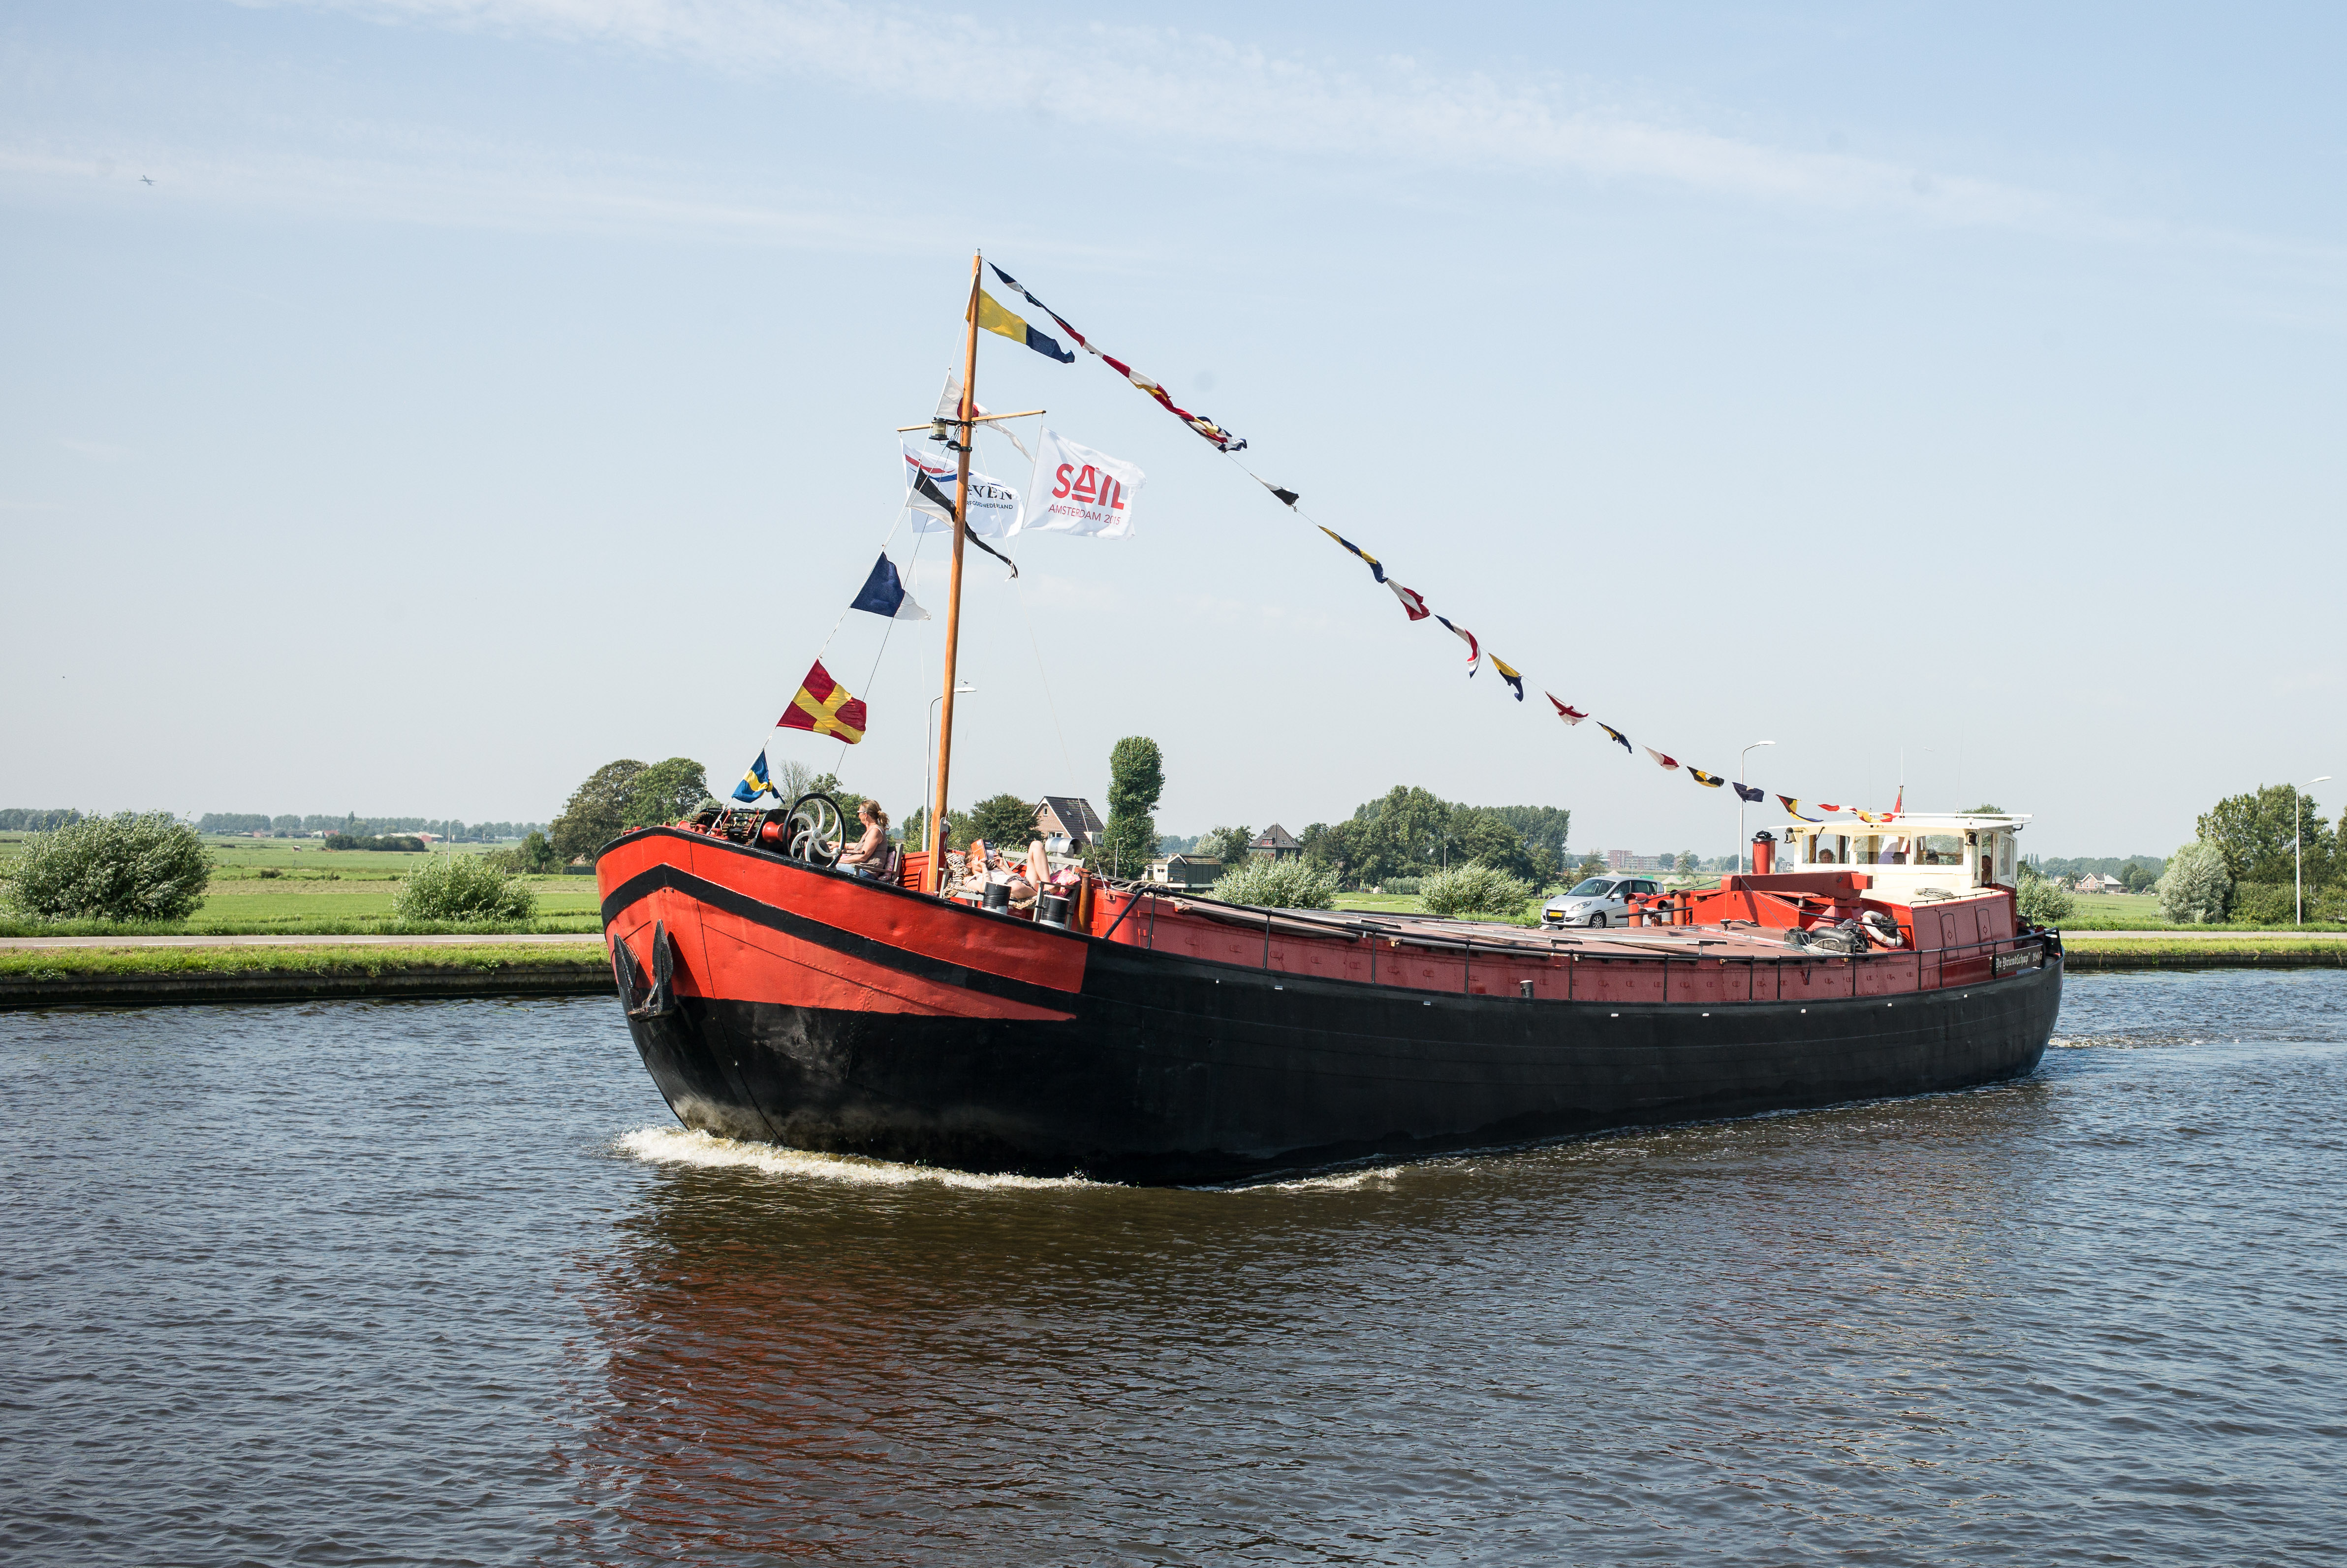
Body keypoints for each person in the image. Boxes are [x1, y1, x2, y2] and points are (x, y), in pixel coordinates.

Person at [836, 801, 891, 878]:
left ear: (865, 815)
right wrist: (838, 845)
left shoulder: (875, 831)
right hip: (860, 869)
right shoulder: (872, 830)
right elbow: (863, 846)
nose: (858, 816)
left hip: (865, 872)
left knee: (828, 866)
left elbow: (863, 857)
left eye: (859, 813)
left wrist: (837, 861)